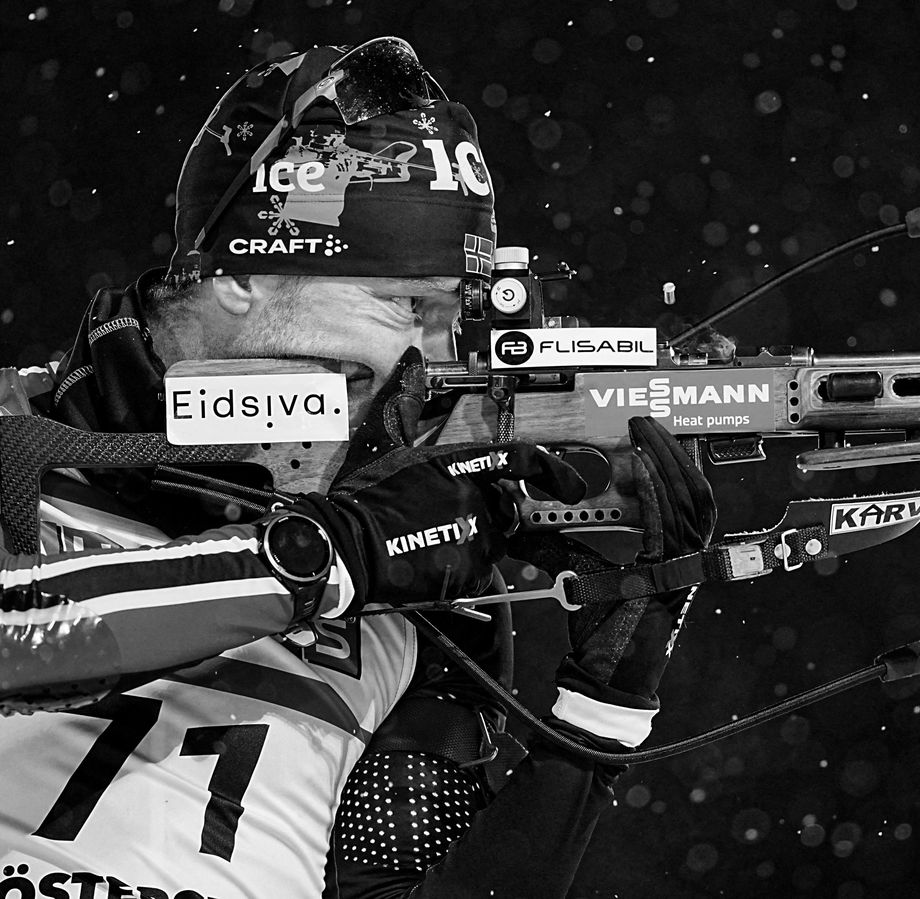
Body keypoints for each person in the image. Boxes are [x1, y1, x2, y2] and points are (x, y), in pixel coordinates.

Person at [0, 37, 716, 899]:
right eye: (403, 304)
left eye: (451, 319)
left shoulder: (421, 579)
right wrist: (332, 556)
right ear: (243, 275)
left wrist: (596, 719)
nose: (431, 360)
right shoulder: (14, 428)